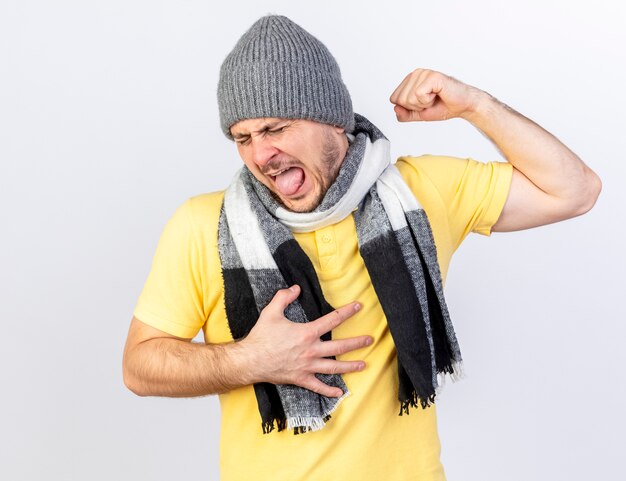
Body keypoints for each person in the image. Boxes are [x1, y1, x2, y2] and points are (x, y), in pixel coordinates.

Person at [122, 14, 601, 481]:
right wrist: (247, 360)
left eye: (276, 129)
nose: (259, 155)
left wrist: (475, 105)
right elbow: (140, 366)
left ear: (333, 121)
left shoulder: (418, 193)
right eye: (242, 137)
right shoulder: (203, 224)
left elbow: (574, 190)